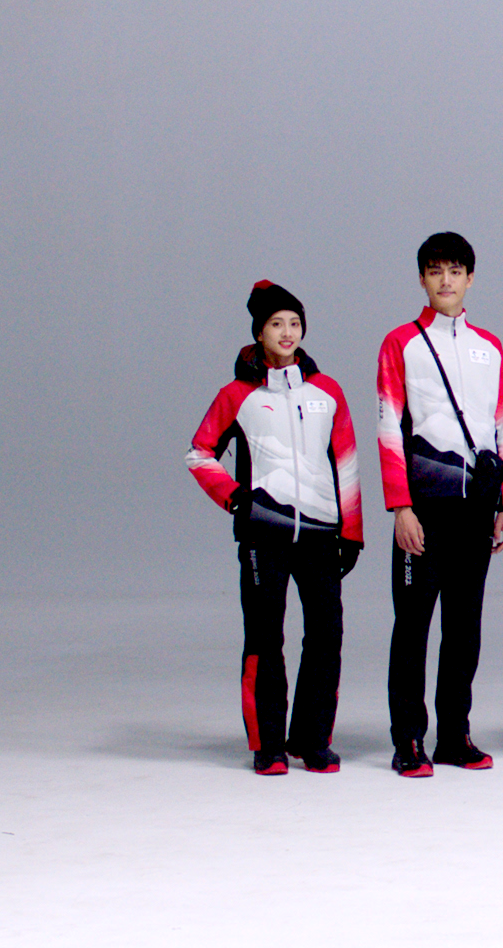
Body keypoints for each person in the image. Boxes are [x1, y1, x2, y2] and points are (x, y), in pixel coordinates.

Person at [185, 281, 363, 776]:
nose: (287, 332)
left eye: (294, 323)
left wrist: (351, 531)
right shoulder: (237, 395)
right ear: (259, 333)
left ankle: (312, 740)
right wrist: (236, 498)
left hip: (322, 534)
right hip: (264, 535)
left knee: (326, 635)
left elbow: (346, 462)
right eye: (276, 324)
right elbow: (199, 453)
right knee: (265, 637)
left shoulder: (327, 392)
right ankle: (268, 744)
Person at [373, 232, 503, 777]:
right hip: (423, 508)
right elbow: (389, 427)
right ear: (422, 279)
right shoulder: (401, 343)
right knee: (412, 625)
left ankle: (455, 735)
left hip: (476, 509)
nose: (446, 280)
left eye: (456, 270)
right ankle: (409, 739)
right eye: (435, 271)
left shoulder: (490, 347)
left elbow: (502, 427)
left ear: (470, 278)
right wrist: (400, 507)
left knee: (464, 626)